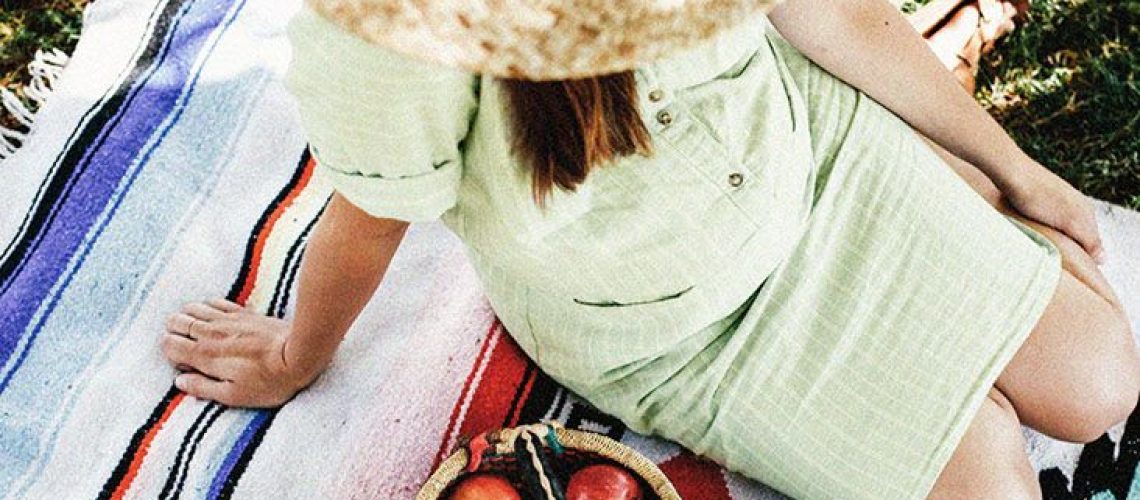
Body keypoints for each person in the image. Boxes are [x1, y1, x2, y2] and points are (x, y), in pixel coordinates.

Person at [158, 0, 1140, 498]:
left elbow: (827, 12)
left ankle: (940, 177)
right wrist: (297, 355)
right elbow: (369, 219)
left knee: (1100, 387)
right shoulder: (388, 35)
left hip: (815, 160)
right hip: (682, 331)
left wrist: (1013, 167)